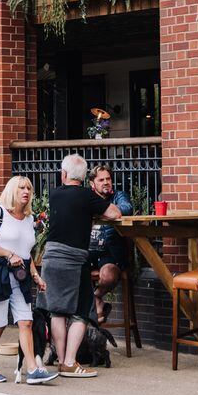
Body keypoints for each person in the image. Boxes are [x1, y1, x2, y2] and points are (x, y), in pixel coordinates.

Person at [40, 154, 124, 378]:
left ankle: (59, 359)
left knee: (57, 310)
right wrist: (95, 209)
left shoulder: (55, 194)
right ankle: (69, 362)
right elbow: (115, 213)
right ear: (85, 177)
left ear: (63, 175)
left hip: (50, 258)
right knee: (82, 311)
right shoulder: (87, 196)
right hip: (74, 261)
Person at [0, 176, 57, 385]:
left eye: (29, 188)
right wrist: (7, 254)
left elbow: (26, 253)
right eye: (22, 187)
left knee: (26, 321)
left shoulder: (30, 219)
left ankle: (32, 369)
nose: (26, 191)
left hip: (21, 278)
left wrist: (36, 276)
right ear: (12, 190)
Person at [87, 164, 133, 323]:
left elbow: (126, 208)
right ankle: (87, 314)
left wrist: (100, 211)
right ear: (92, 183)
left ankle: (96, 298)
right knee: (70, 270)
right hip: (88, 254)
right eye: (101, 180)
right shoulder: (87, 197)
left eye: (108, 179)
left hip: (110, 254)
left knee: (107, 276)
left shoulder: (118, 196)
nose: (106, 182)